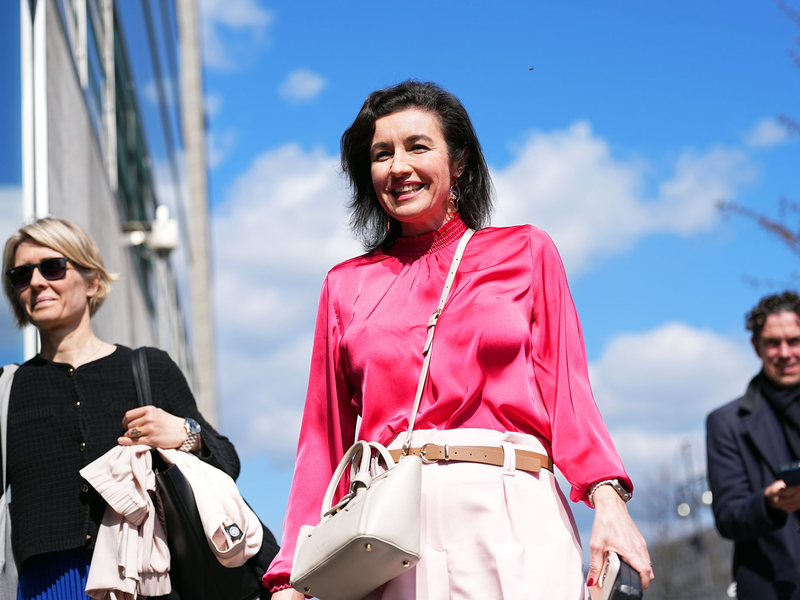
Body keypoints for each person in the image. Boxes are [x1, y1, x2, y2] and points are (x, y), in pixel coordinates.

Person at [264, 80, 652, 599]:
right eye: (382, 154)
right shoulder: (345, 285)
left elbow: (569, 394)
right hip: (390, 532)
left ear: (460, 162)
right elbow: (322, 437)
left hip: (515, 509)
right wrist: (292, 575)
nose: (398, 166)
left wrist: (609, 502)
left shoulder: (526, 252)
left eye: (417, 146)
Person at [0, 217, 240, 600]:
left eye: (52, 267)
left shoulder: (149, 368)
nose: (37, 282)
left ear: (92, 281)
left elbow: (228, 461)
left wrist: (185, 433)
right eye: (20, 275)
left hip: (143, 579)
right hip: (44, 586)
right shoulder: (6, 389)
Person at [707, 291, 800, 599]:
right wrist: (769, 502)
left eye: (794, 340)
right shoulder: (726, 422)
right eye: (773, 342)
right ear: (756, 346)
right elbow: (728, 516)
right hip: (775, 587)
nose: (785, 352)